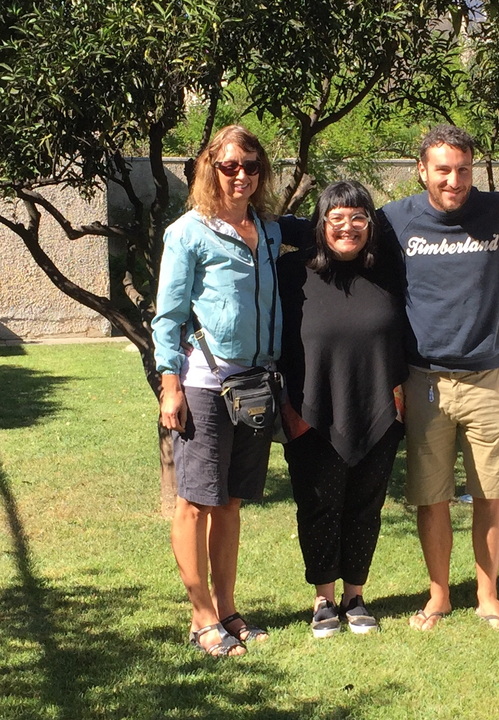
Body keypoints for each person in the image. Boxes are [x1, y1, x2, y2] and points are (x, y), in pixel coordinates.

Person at [378, 124, 499, 632]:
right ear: (422, 170)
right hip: (424, 379)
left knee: (491, 491)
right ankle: (438, 595)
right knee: (431, 494)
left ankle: (488, 595)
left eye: (463, 169)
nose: (454, 180)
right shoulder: (394, 220)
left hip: (487, 374)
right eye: (443, 170)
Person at [153, 125, 281, 657]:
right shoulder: (188, 232)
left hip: (253, 383)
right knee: (195, 502)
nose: (241, 176)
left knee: (229, 502)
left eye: (251, 166)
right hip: (204, 382)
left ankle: (227, 609)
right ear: (212, 168)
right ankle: (202, 616)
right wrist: (170, 385)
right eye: (230, 166)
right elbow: (168, 314)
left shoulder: (268, 231)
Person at [276, 181, 408, 637]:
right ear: (320, 225)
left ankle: (355, 596)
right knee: (318, 506)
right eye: (336, 218)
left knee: (365, 506)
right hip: (311, 410)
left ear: (370, 225)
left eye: (357, 218)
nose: (347, 227)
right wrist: (290, 410)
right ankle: (323, 599)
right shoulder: (291, 271)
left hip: (379, 408)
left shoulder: (390, 270)